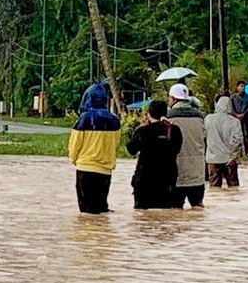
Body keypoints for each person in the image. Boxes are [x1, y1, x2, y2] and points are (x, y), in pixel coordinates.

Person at [65, 81, 120, 214]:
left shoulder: (84, 120)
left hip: (86, 170)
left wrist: (74, 160)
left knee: (86, 215)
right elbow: (116, 145)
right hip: (105, 172)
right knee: (101, 211)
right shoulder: (114, 121)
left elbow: (74, 146)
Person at [125, 98, 183, 209]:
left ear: (149, 114)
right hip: (167, 182)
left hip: (145, 183)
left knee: (144, 219)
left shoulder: (142, 131)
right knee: (165, 219)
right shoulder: (174, 130)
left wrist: (140, 128)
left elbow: (131, 150)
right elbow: (177, 150)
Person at [168, 84, 208, 208]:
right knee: (197, 208)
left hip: (177, 172)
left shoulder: (169, 117)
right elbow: (205, 139)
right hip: (197, 172)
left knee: (175, 210)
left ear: (174, 99)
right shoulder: (200, 116)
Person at [206, 94, 245, 189]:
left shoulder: (208, 119)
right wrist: (234, 157)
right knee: (233, 187)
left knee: (214, 188)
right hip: (230, 159)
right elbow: (239, 140)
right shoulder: (235, 121)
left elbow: (203, 135)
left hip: (213, 159)